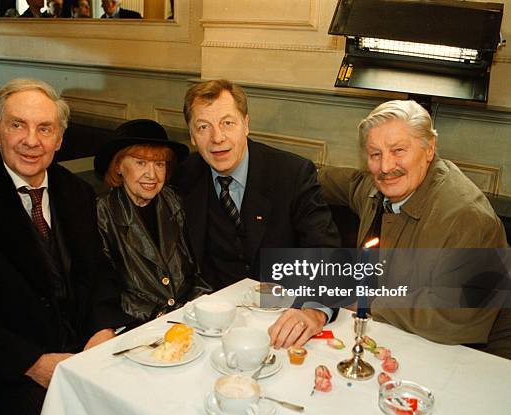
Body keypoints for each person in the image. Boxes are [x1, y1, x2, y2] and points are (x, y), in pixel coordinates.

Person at [0, 79, 130, 415]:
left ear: (59, 140)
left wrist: (102, 329)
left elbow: (99, 274)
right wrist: (32, 364)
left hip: (80, 357)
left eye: (45, 129)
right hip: (0, 376)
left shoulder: (78, 193)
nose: (32, 141)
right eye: (18, 125)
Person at [289, 99, 510, 358]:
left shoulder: (466, 217)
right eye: (375, 154)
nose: (385, 167)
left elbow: (454, 316)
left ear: (429, 149)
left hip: (480, 357)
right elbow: (324, 180)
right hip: (404, 337)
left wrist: (365, 299)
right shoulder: (375, 188)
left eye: (398, 151)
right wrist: (275, 173)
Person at [174, 79, 341, 348]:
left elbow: (327, 252)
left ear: (246, 124)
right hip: (214, 326)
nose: (217, 137)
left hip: (284, 321)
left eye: (228, 123)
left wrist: (313, 310)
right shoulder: (183, 177)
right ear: (192, 136)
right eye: (204, 127)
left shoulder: (291, 173)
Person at [95, 119, 210, 323]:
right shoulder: (101, 213)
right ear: (119, 166)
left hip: (190, 316)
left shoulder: (176, 201)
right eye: (141, 163)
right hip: (137, 326)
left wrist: (198, 308)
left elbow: (197, 269)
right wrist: (158, 315)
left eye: (159, 164)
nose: (152, 174)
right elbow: (107, 290)